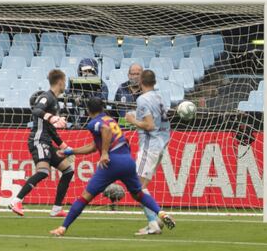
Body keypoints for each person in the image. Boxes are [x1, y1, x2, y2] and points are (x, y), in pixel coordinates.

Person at [49, 97, 175, 236]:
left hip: (111, 163)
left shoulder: (94, 123)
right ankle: (160, 212)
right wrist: (71, 151)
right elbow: (93, 146)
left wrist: (104, 153)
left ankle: (63, 228)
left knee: (85, 197)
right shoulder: (110, 119)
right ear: (102, 108)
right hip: (127, 161)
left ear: (88, 111)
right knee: (138, 193)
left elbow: (106, 130)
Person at [9, 69, 74, 217]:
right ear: (60, 82)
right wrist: (51, 117)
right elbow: (36, 110)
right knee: (43, 172)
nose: (66, 84)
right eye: (65, 81)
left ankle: (57, 208)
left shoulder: (54, 101)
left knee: (68, 170)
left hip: (47, 141)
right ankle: (16, 201)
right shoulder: (46, 97)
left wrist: (64, 146)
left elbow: (50, 129)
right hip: (38, 140)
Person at [125, 69, 171, 235]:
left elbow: (150, 125)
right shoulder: (160, 97)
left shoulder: (142, 99)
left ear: (141, 81)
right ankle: (155, 219)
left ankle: (154, 222)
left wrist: (132, 120)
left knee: (137, 188)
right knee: (140, 187)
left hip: (149, 147)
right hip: (160, 145)